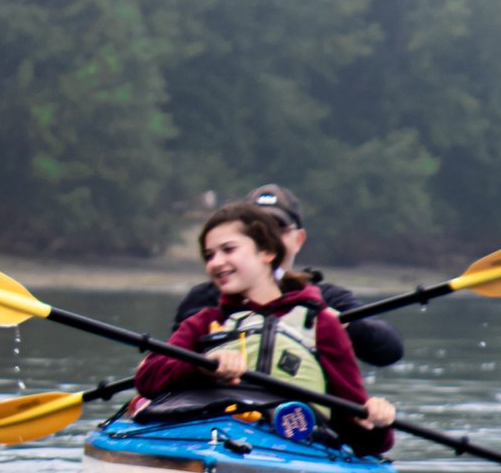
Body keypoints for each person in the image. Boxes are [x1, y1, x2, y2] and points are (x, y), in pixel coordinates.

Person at [134, 202, 395, 454]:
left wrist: (375, 421)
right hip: (206, 440)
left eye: (228, 249)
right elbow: (147, 378)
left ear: (267, 252)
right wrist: (201, 365)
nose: (215, 262)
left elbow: (366, 437)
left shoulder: (322, 324)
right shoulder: (204, 321)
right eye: (209, 255)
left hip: (295, 451)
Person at [172, 184, 403, 370]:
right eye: (257, 231)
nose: (268, 237)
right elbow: (171, 360)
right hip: (218, 411)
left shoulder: (324, 299)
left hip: (295, 419)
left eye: (277, 228)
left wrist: (336, 322)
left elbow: (389, 351)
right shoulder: (205, 298)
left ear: (298, 240)